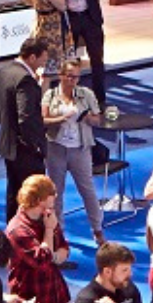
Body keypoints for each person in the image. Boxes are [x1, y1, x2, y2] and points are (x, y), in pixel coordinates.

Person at [44, 59, 106, 245]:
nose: (73, 80)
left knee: (88, 191)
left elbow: (99, 120)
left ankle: (97, 230)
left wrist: (87, 117)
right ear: (61, 75)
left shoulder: (86, 94)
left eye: (76, 77)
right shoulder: (51, 95)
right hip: (56, 148)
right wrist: (61, 118)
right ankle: (58, 233)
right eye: (69, 76)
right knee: (56, 194)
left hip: (80, 150)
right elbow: (43, 119)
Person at [0, 37, 51, 219]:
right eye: (42, 60)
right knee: (34, 195)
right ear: (32, 57)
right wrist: (34, 144)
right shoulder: (25, 80)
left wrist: (8, 126)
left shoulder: (4, 71)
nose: (43, 64)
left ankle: (12, 234)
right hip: (26, 150)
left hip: (9, 146)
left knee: (14, 191)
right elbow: (26, 116)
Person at [56, 0, 109, 105]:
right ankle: (68, 99)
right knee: (68, 62)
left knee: (97, 59)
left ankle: (99, 100)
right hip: (70, 18)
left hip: (89, 16)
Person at [7, 175, 71, 303]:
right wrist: (48, 229)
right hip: (31, 298)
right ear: (39, 200)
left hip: (55, 292)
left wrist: (55, 256)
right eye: (51, 194)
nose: (55, 196)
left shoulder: (47, 216)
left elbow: (63, 247)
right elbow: (41, 260)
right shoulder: (17, 230)